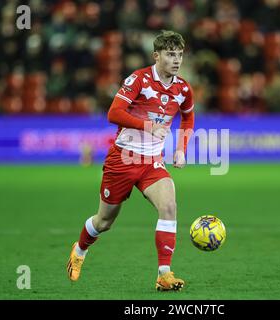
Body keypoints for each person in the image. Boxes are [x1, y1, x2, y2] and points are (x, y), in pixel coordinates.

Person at [66, 30, 195, 291]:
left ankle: (164, 274)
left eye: (180, 55)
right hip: (123, 159)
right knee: (104, 221)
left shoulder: (183, 89)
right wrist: (147, 126)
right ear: (156, 56)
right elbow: (114, 113)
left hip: (151, 162)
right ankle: (79, 250)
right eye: (171, 54)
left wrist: (181, 148)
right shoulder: (139, 79)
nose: (176, 60)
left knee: (169, 205)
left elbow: (188, 118)